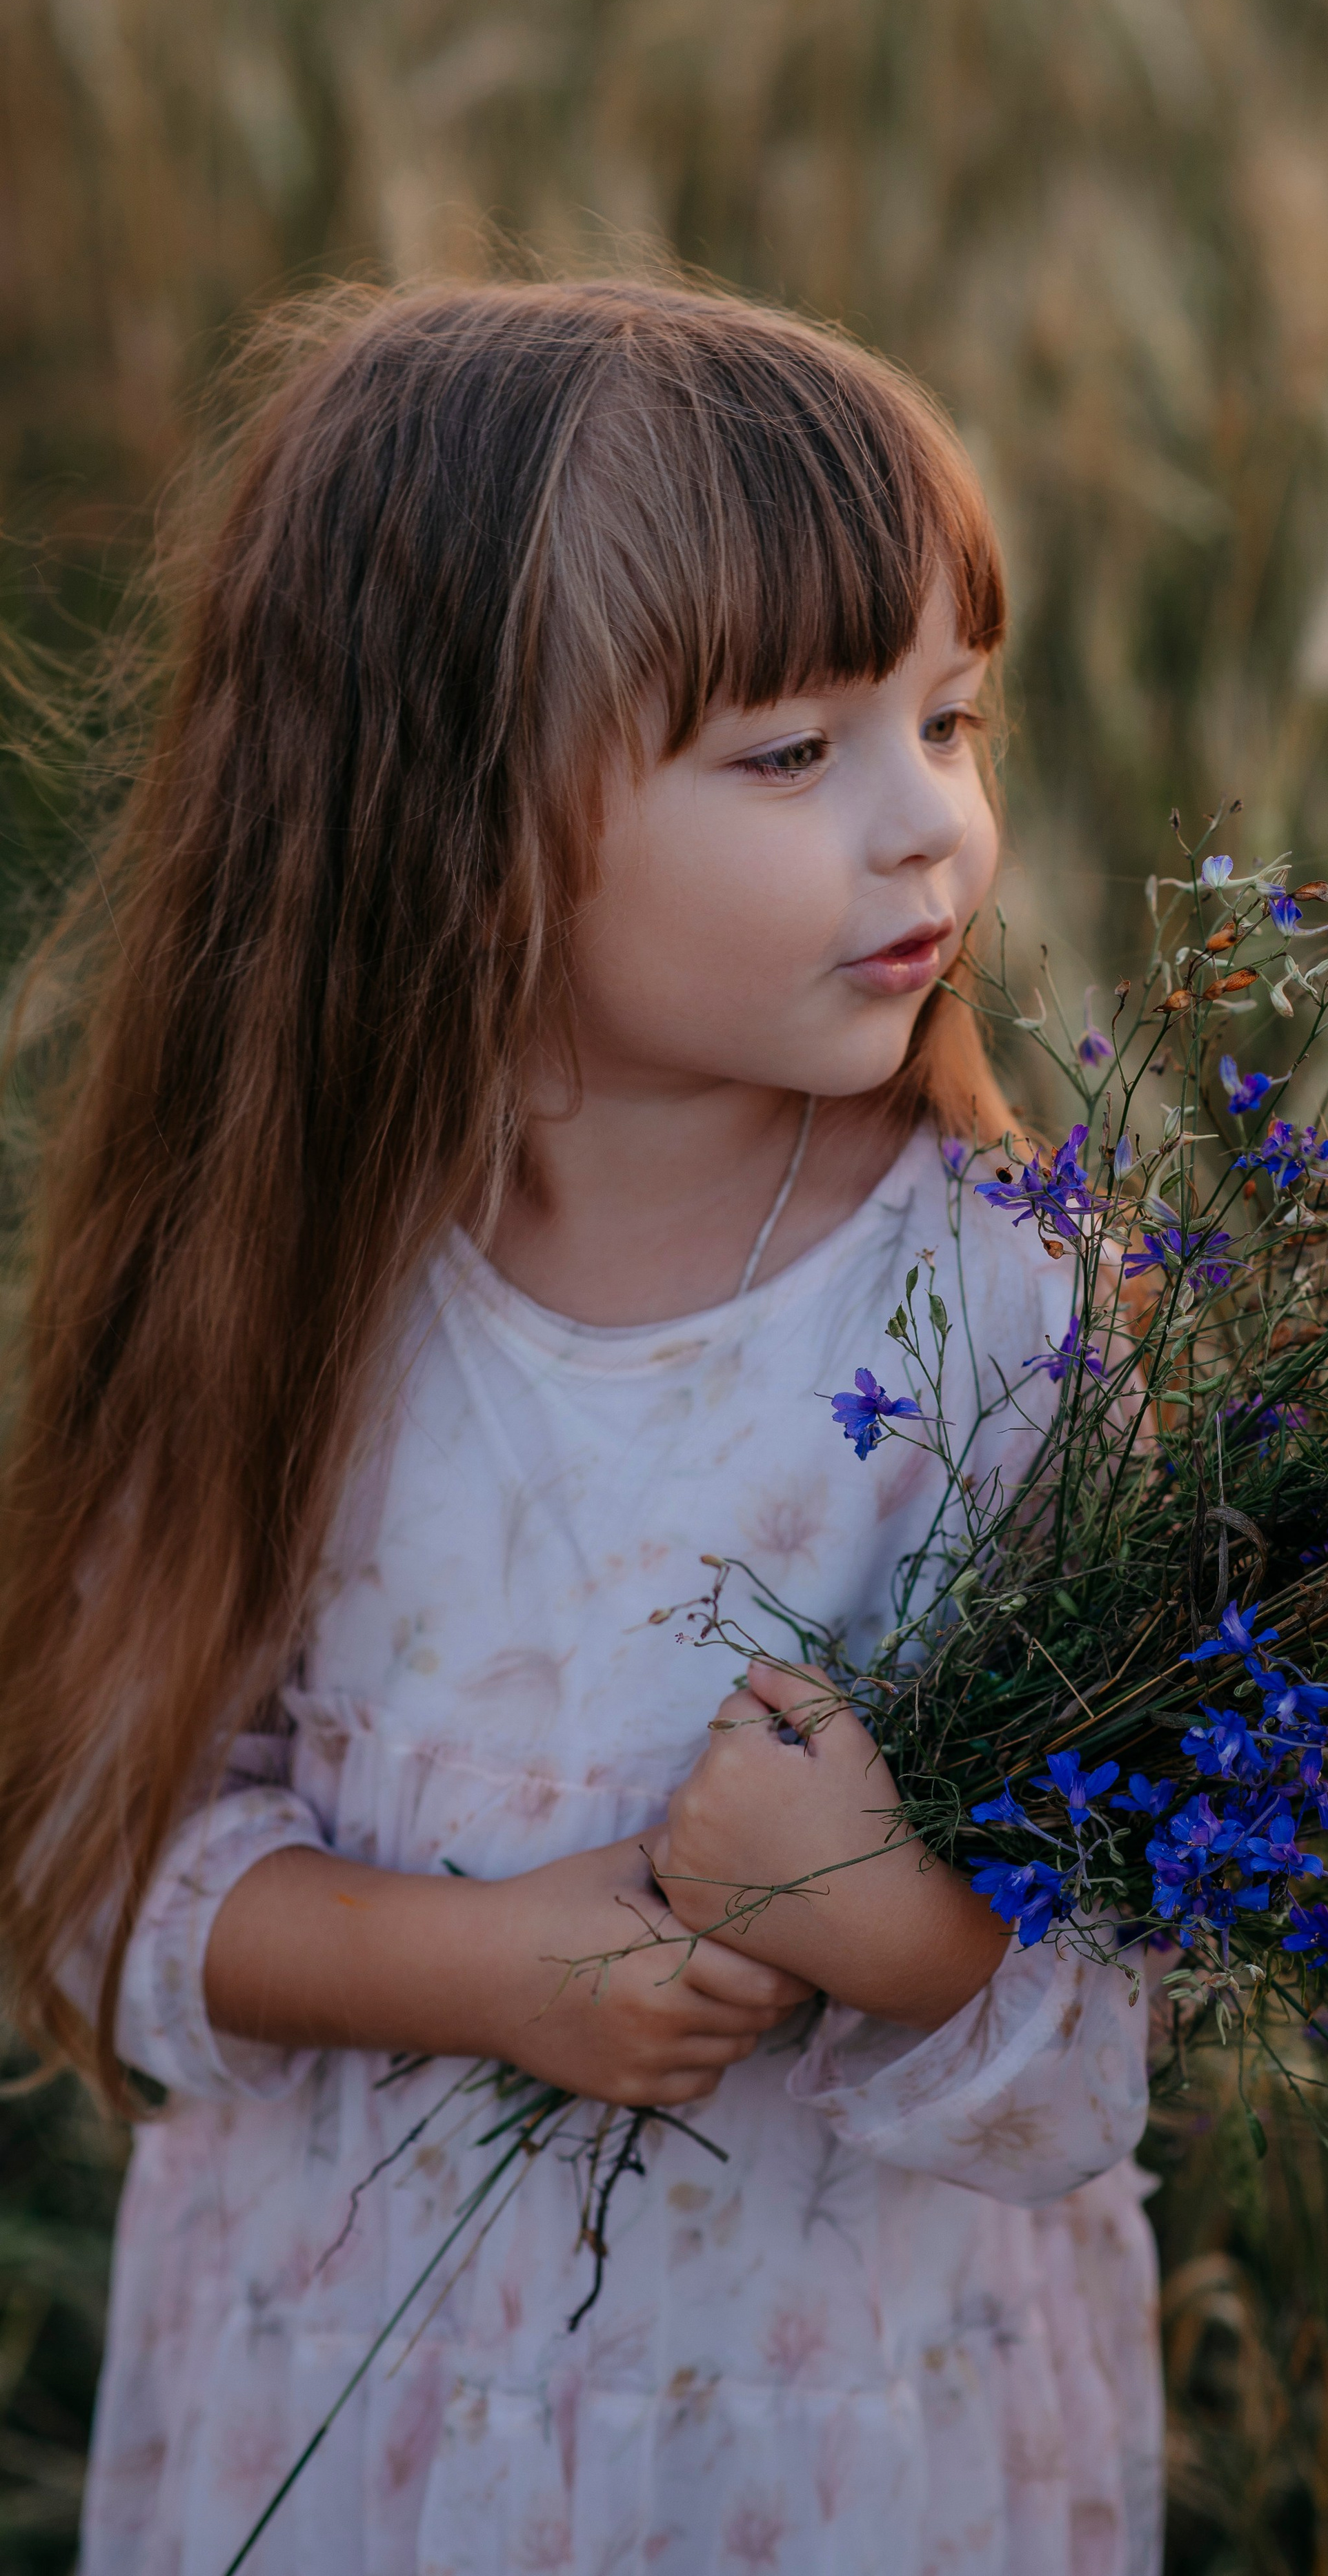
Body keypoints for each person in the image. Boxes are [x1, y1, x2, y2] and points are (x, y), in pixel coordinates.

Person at [0, 279, 1161, 2575]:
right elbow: (83, 1873)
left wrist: (873, 1912)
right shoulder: (298, 1281)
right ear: (450, 809)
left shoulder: (999, 1315)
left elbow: (1093, 2061)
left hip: (823, 2454)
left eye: (951, 720)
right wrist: (485, 1972)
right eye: (788, 755)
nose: (930, 825)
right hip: (353, 2429)